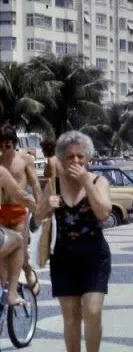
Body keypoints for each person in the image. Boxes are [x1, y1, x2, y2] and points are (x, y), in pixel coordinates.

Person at [36, 131, 111, 352]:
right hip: (63, 258)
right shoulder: (54, 184)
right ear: (61, 159)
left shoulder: (99, 181)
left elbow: (104, 214)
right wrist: (47, 205)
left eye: (80, 156)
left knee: (93, 311)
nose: (76, 161)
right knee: (70, 318)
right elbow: (38, 216)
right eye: (70, 157)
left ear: (87, 158)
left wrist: (87, 183)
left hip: (94, 257)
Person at [0, 125, 42, 298]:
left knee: (22, 253)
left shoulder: (25, 160)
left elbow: (35, 185)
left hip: (19, 211)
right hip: (3, 211)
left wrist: (39, 209)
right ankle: (6, 292)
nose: (4, 150)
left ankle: (29, 272)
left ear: (14, 144)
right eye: (1, 146)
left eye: (7, 146)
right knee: (3, 256)